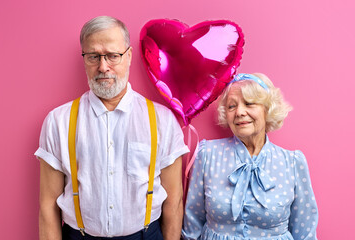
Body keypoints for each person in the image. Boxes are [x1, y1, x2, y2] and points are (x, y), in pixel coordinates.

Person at [35, 16, 189, 240]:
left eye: (113, 56)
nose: (103, 66)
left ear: (128, 56)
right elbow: (48, 206)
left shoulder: (162, 120)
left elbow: (174, 203)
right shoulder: (58, 121)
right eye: (93, 56)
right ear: (84, 58)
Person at [182, 73, 318, 240]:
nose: (239, 112)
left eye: (249, 103)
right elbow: (192, 223)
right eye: (232, 106)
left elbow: (305, 232)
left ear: (267, 109)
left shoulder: (293, 162)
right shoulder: (207, 154)